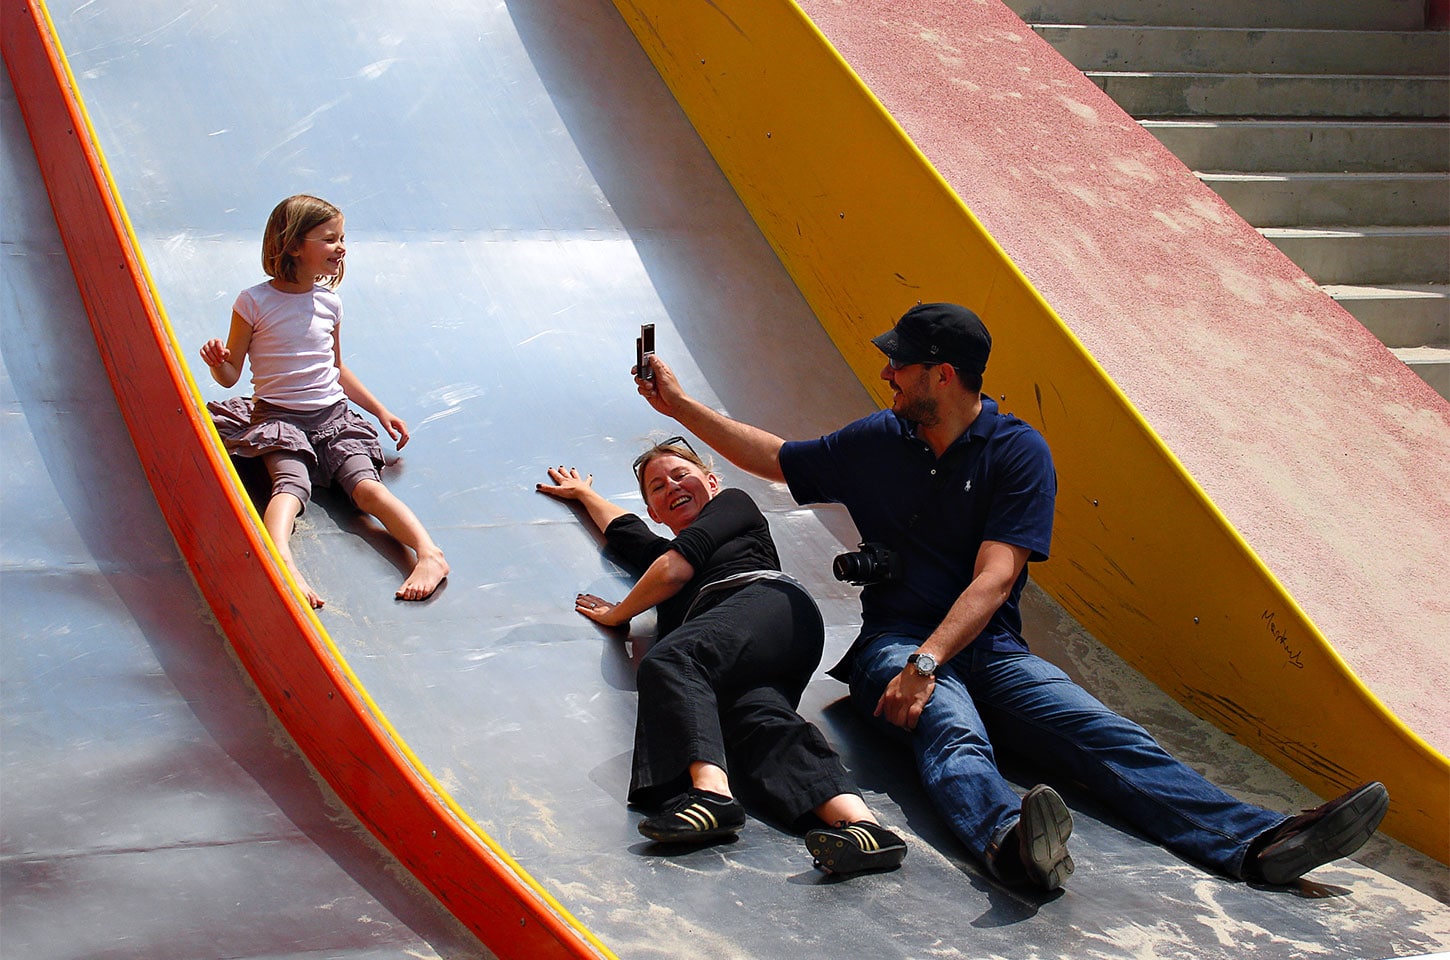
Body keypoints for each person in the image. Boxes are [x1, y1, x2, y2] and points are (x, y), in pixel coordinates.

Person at [629, 301, 1389, 891]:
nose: (888, 377)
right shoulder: (876, 442)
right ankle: (1012, 844)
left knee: (1099, 730)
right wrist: (681, 408)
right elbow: (774, 457)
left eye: (902, 366)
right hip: (893, 643)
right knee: (952, 730)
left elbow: (995, 577)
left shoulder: (1017, 452)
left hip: (977, 647)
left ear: (943, 375)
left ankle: (1257, 844)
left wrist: (928, 662)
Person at [536, 439, 907, 875]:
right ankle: (865, 830)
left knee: (673, 659)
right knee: (758, 725)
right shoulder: (660, 556)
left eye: (680, 474)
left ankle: (711, 796)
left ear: (711, 482)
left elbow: (674, 569)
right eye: (656, 487)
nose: (671, 485)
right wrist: (585, 494)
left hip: (767, 605)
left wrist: (618, 615)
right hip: (740, 655)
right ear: (656, 511)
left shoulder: (734, 506)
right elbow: (624, 530)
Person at [199, 195, 448, 608]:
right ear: (294, 244)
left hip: (332, 418)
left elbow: (336, 368)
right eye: (330, 239)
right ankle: (282, 562)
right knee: (291, 486)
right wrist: (217, 364)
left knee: (366, 489)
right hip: (278, 419)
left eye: (342, 238)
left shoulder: (329, 302)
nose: (342, 247)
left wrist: (380, 411)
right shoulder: (254, 302)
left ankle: (429, 554)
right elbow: (231, 377)